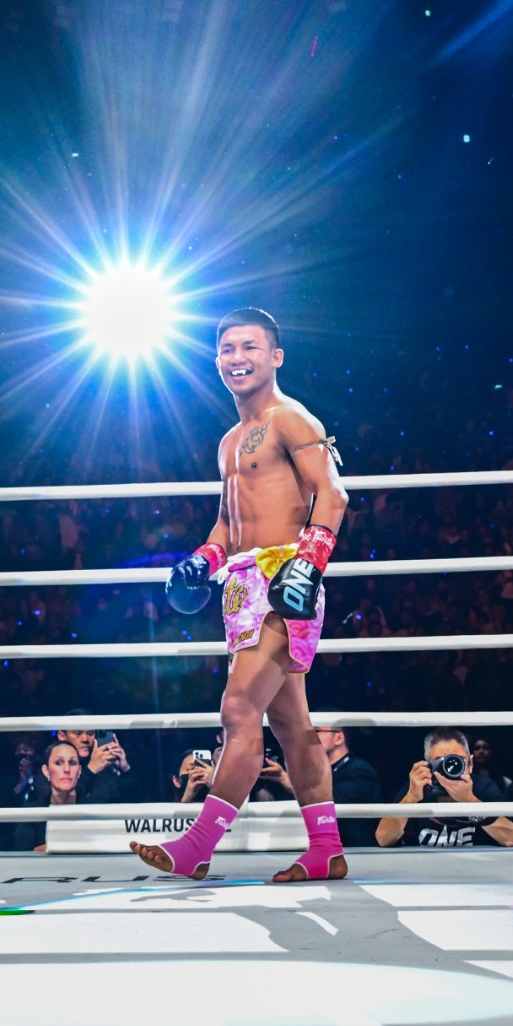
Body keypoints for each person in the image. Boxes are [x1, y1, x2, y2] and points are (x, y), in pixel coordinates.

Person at [133, 307, 349, 882]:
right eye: (228, 349)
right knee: (292, 724)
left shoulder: (292, 418)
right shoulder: (229, 441)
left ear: (275, 356)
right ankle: (326, 849)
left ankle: (197, 845)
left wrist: (308, 565)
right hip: (242, 583)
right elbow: (229, 524)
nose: (238, 358)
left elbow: (333, 495)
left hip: (285, 579)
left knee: (238, 709)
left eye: (250, 347)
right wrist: (202, 561)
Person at [375, 727, 513, 848]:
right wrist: (411, 798)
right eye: (440, 761)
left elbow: (509, 838)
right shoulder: (417, 788)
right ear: (428, 765)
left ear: (470, 764)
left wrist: (470, 801)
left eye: (457, 760)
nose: (449, 768)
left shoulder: (483, 787)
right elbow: (383, 839)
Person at [314, 724, 383, 847]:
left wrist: (287, 782)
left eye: (317, 731)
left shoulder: (359, 771)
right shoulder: (317, 771)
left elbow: (330, 809)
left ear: (339, 738)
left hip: (356, 851)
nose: (311, 737)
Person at [12, 740, 82, 852]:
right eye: (59, 763)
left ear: (79, 771)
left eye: (72, 763)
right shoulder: (32, 813)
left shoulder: (93, 809)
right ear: (46, 771)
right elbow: (22, 853)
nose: (67, 769)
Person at [55, 711, 131, 802]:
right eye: (78, 733)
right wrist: (91, 770)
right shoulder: (54, 767)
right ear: (62, 736)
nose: (85, 739)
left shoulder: (105, 770)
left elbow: (135, 802)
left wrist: (126, 770)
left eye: (90, 733)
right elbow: (63, 801)